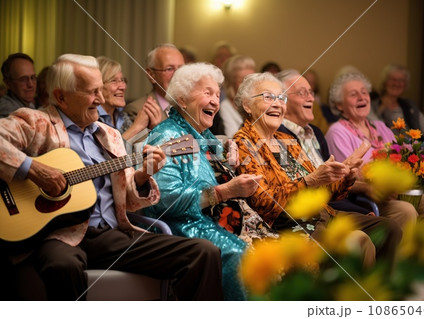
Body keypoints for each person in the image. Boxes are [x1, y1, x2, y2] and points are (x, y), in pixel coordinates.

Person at [0, 54, 223, 301]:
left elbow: (128, 199)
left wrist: (142, 175)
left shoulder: (110, 135)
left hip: (110, 235)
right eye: (92, 92)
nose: (101, 98)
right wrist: (34, 171)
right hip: (58, 236)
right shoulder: (36, 122)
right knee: (62, 266)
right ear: (61, 96)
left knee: (204, 252)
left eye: (100, 89)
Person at [233, 72, 401, 268]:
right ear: (247, 105)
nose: (278, 104)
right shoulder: (243, 144)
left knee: (390, 228)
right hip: (292, 226)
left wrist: (345, 175)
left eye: (281, 98)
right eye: (269, 97)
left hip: (323, 214)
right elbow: (264, 203)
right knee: (359, 241)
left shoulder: (286, 140)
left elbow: (326, 191)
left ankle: (381, 293)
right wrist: (310, 181)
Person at [143, 62, 262, 300]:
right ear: (182, 99)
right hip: (185, 226)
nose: (215, 101)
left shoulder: (203, 134)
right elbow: (163, 201)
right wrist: (222, 192)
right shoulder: (167, 137)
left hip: (222, 219)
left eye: (218, 94)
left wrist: (230, 164)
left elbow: (214, 170)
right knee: (247, 256)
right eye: (207, 93)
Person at [325, 72, 424, 267]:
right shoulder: (337, 131)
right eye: (353, 94)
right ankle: (399, 274)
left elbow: (401, 157)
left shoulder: (380, 126)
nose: (361, 97)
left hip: (394, 190)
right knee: (406, 211)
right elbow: (345, 176)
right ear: (339, 105)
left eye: (364, 92)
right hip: (365, 196)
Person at [276, 69, 372, 215]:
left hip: (336, 206)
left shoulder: (316, 132)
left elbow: (332, 188)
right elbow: (293, 191)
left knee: (390, 226)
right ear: (282, 100)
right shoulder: (277, 135)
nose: (311, 99)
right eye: (302, 93)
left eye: (311, 92)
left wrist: (347, 176)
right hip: (310, 214)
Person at [370, 64, 424, 144]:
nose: (397, 84)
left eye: (401, 80)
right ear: (385, 82)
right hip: (388, 152)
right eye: (393, 79)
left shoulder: (409, 105)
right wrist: (382, 107)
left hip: (414, 151)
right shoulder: (372, 105)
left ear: (405, 85)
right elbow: (373, 131)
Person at [97, 56, 157, 143]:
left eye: (122, 80)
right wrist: (137, 126)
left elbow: (137, 151)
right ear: (98, 86)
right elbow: (107, 154)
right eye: (114, 81)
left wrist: (153, 127)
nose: (123, 86)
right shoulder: (92, 118)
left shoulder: (122, 116)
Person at [124, 43, 184, 123]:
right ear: (151, 75)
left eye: (181, 68)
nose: (177, 74)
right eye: (169, 69)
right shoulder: (137, 110)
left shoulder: (193, 106)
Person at [210, 55, 256, 137]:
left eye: (253, 80)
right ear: (231, 84)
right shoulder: (224, 109)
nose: (250, 86)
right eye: (242, 81)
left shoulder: (260, 105)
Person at [0, 53, 37, 118]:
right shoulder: (8, 111)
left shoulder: (29, 105)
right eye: (23, 79)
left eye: (33, 77)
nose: (31, 85)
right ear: (8, 83)